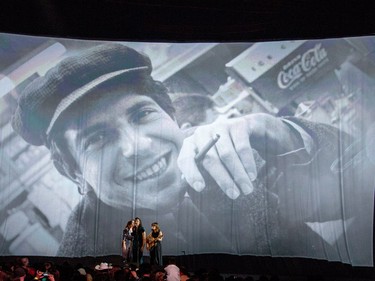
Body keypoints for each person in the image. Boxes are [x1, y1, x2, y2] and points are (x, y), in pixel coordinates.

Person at [10, 43, 374, 266]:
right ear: (75, 173)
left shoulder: (228, 156)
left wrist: (285, 136)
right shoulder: (85, 258)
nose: (138, 148)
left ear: (171, 117)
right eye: (97, 139)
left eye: (142, 115)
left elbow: (359, 197)